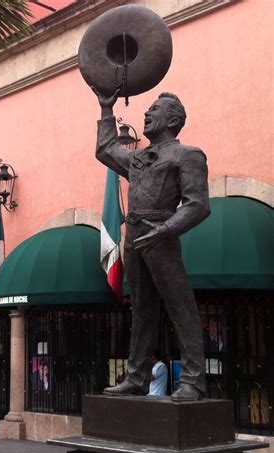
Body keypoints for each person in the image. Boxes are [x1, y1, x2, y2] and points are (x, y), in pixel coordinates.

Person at [94, 87, 211, 401]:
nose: (146, 113)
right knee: (142, 309)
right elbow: (105, 149)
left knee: (180, 306)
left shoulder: (188, 155)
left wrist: (165, 230)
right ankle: (136, 377)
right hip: (133, 238)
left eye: (154, 110)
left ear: (172, 119)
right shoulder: (137, 159)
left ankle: (193, 382)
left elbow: (198, 204)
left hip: (161, 234)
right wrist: (107, 109)